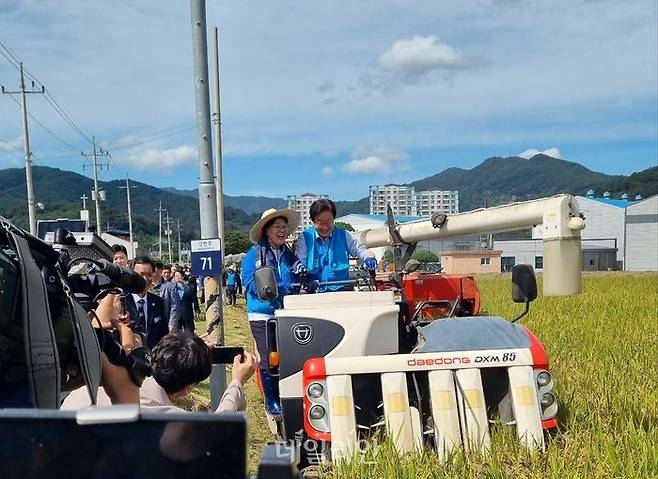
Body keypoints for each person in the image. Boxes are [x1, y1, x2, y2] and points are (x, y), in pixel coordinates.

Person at [63, 331, 257, 413]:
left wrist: (185, 347)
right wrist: (237, 382)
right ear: (187, 390)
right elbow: (219, 431)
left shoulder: (93, 385)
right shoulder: (167, 418)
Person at [241, 208, 304, 415]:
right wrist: (273, 289)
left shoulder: (289, 253)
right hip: (262, 313)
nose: (282, 230)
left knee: (289, 353)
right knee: (268, 357)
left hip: (286, 311)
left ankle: (289, 394)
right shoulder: (253, 255)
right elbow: (249, 283)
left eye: (284, 226)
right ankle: (272, 399)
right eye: (277, 226)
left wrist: (301, 276)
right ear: (267, 230)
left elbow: (297, 277)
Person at [295, 198, 378, 291]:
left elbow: (360, 250)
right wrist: (300, 266)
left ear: (334, 219)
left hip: (342, 288)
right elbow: (300, 259)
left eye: (329, 221)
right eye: (320, 222)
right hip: (314, 289)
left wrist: (369, 257)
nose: (325, 227)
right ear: (313, 221)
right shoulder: (305, 237)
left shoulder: (344, 235)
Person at [126, 256, 169, 349]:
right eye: (141, 275)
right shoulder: (122, 301)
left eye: (149, 275)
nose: (145, 279)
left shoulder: (158, 302)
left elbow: (164, 335)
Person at [153, 261, 181, 333]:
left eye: (154, 269)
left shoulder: (170, 287)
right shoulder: (146, 286)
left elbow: (174, 306)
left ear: (160, 271)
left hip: (165, 322)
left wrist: (172, 323)